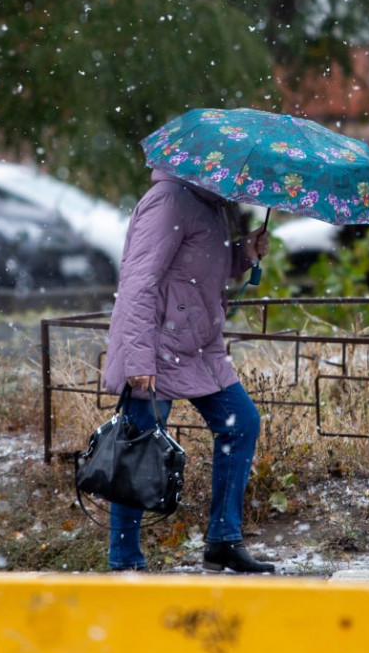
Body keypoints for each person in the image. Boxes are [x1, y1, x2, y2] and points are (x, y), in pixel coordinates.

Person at [101, 167, 274, 573]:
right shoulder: (169, 201)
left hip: (198, 346)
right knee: (137, 447)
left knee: (241, 423)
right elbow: (139, 281)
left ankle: (222, 542)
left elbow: (199, 268)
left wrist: (245, 252)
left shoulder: (209, 204)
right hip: (158, 347)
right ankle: (124, 562)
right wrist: (139, 358)